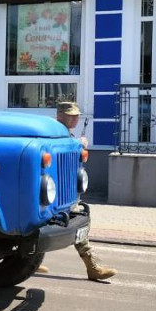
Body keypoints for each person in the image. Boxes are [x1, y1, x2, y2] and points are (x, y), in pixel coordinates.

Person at [48, 101, 116, 282]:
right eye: (70, 115)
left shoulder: (64, 133)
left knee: (78, 223)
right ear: (60, 115)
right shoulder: (53, 131)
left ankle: (91, 267)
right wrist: (77, 144)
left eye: (76, 115)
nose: (75, 118)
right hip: (53, 192)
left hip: (65, 191)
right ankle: (92, 267)